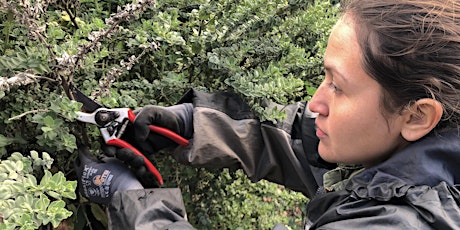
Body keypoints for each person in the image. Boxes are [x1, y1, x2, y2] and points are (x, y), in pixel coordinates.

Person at [74, 0, 460, 229]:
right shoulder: (418, 157)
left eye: (338, 87)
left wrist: (134, 203)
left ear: (417, 116)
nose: (315, 103)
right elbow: (297, 139)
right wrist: (191, 122)